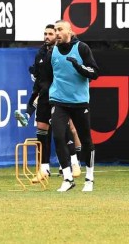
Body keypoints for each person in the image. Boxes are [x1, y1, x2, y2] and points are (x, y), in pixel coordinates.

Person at [39, 20, 99, 192]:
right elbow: (47, 78)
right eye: (55, 30)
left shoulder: (82, 48)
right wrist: (44, 97)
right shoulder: (52, 52)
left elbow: (95, 73)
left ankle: (89, 178)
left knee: (86, 140)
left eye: (60, 29)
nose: (57, 33)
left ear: (70, 32)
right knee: (58, 137)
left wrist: (78, 67)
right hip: (59, 101)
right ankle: (67, 178)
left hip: (79, 102)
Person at [20, 24, 82, 183]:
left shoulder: (62, 51)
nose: (47, 36)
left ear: (57, 36)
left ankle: (74, 162)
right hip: (44, 96)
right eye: (45, 33)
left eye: (50, 34)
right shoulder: (41, 53)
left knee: (65, 130)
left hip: (60, 96)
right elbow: (39, 79)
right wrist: (35, 95)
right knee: (41, 131)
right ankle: (44, 169)